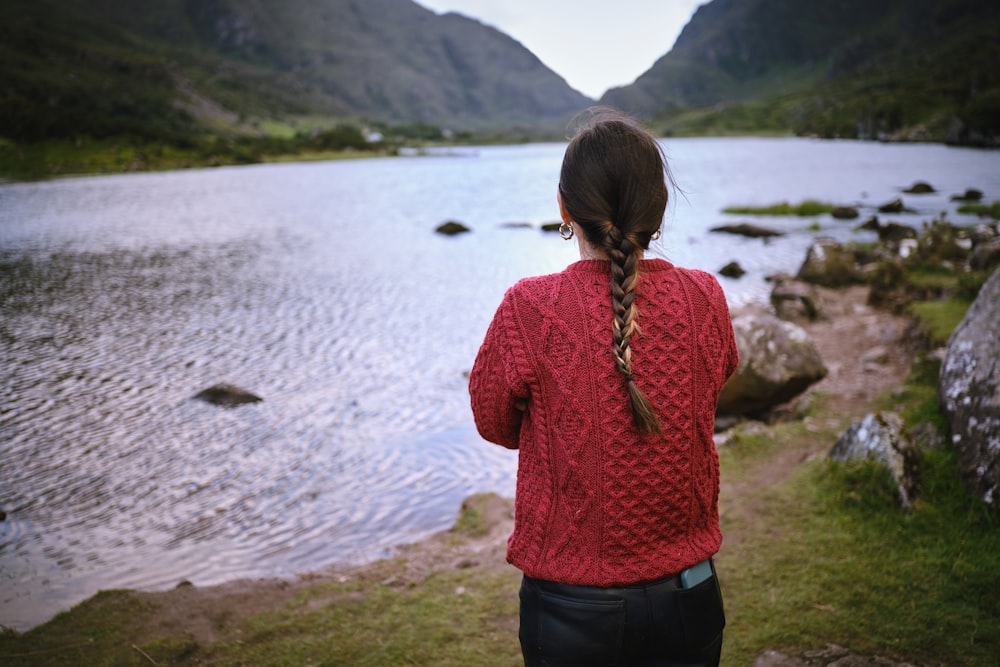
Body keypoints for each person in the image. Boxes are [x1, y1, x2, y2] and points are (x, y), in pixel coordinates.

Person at [468, 108, 739, 666]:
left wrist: (567, 427)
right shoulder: (705, 298)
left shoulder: (531, 307)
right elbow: (709, 389)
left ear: (565, 210)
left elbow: (493, 421)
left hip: (570, 608)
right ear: (656, 211)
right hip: (689, 595)